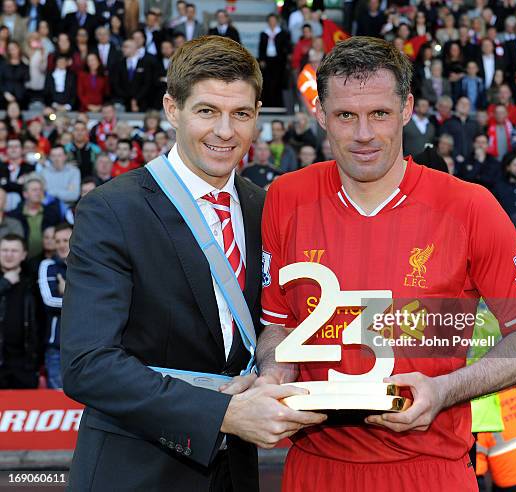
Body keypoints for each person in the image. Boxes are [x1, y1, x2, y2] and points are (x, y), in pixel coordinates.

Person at [256, 37, 516, 492]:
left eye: (378, 113)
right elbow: (278, 326)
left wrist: (444, 390)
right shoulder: (285, 197)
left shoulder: (470, 206)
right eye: (345, 115)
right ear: (320, 114)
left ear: (407, 109)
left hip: (429, 469)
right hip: (314, 466)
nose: (363, 134)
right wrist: (274, 373)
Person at [61, 36, 325, 491]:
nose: (225, 131)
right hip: (135, 469)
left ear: (258, 115)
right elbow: (88, 363)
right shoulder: (113, 210)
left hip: (236, 472)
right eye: (207, 111)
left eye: (241, 114)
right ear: (171, 109)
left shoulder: (266, 208)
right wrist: (222, 414)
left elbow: (278, 323)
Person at [0, 234, 42, 389]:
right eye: (4, 250)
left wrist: (36, 359)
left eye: (14, 251)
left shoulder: (32, 282)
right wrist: (4, 283)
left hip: (24, 364)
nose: (8, 255)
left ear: (24, 254)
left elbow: (41, 321)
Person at [38, 222, 71, 389]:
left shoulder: (89, 266)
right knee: (57, 402)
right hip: (56, 347)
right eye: (57, 241)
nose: (61, 245)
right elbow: (49, 301)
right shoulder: (47, 265)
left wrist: (67, 292)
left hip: (85, 345)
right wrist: (79, 301)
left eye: (66, 240)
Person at [8, 174, 62, 259]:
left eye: (41, 190)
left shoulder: (52, 213)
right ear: (25, 194)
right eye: (34, 190)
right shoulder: (14, 215)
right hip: (21, 262)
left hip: (47, 259)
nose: (38, 193)